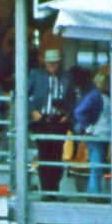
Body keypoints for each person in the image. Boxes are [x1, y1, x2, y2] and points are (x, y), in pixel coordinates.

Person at [27, 48, 76, 192]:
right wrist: (32, 111)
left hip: (59, 120)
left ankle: (54, 188)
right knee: (43, 154)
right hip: (41, 120)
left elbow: (73, 99)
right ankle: (46, 189)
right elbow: (23, 95)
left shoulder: (67, 77)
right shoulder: (36, 75)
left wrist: (68, 113)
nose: (52, 65)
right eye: (49, 63)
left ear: (59, 62)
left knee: (56, 155)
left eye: (54, 63)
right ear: (45, 62)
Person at [73, 69, 110, 197]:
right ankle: (95, 194)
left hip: (105, 135)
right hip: (96, 134)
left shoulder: (105, 96)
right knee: (97, 165)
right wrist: (87, 126)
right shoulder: (94, 96)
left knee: (99, 165)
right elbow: (79, 111)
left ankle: (93, 192)